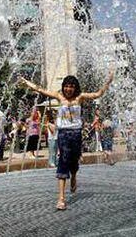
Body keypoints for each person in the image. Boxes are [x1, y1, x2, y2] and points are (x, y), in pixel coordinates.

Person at [19, 71, 114, 210]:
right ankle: (61, 198)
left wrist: (108, 82)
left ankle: (74, 175)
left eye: (71, 86)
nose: (68, 89)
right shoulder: (59, 97)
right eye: (66, 86)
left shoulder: (80, 98)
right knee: (63, 161)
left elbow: (98, 94)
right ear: (63, 87)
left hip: (76, 134)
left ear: (75, 88)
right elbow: (40, 89)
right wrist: (27, 82)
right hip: (63, 134)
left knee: (74, 160)